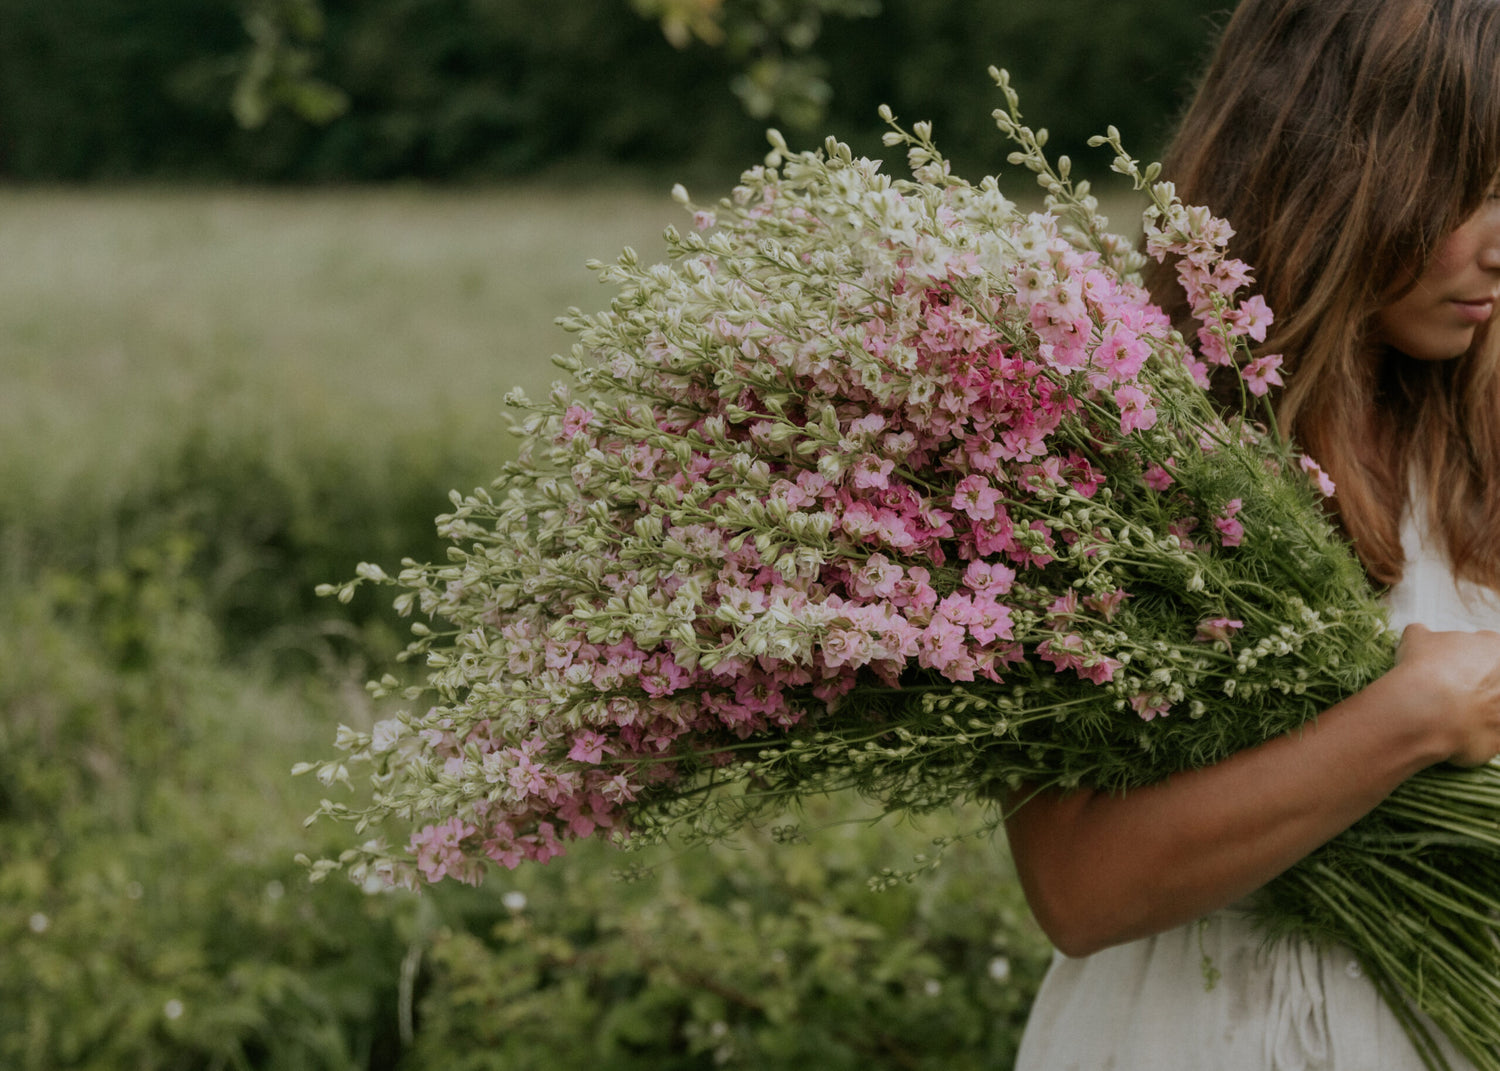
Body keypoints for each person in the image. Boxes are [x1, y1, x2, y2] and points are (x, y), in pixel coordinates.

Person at [1006, 0, 1500, 1067]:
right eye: (1473, 188)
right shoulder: (1118, 452)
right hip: (1198, 1034)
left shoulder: (1480, 437)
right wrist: (1405, 721)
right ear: (1333, 165)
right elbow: (1080, 891)